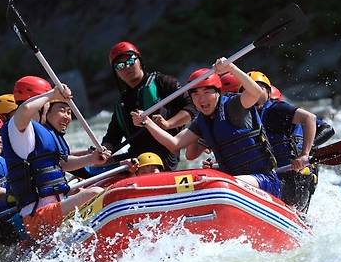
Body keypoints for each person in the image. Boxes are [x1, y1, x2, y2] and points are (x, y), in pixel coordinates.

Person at [132, 59, 281, 197]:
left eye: (206, 92)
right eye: (195, 94)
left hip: (263, 180)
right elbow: (174, 144)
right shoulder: (201, 122)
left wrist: (230, 67)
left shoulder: (234, 106)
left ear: (218, 93)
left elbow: (256, 92)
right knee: (208, 184)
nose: (201, 99)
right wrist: (147, 123)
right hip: (229, 183)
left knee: (220, 184)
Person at [1, 83, 109, 241]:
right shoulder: (20, 131)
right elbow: (24, 110)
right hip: (37, 215)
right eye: (49, 105)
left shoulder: (42, 133)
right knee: (96, 194)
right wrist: (52, 94)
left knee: (90, 192)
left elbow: (62, 164)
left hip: (52, 210)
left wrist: (90, 159)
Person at [101, 41, 196, 170]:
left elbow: (191, 108)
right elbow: (112, 137)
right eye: (120, 66)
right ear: (116, 72)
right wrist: (104, 151)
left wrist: (169, 124)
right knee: (93, 166)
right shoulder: (122, 103)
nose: (126, 68)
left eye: (130, 61)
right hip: (136, 158)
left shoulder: (163, 82)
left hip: (164, 156)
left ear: (139, 61)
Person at [246, 70, 325, 213]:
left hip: (292, 178)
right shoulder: (246, 118)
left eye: (259, 87)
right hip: (271, 177)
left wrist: (304, 154)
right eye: (248, 89)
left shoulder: (277, 109)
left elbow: (310, 119)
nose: (254, 92)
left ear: (268, 92)